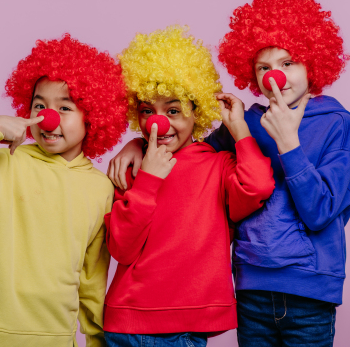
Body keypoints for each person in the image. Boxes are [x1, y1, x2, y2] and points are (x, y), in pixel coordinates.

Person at [107, 0, 350, 347]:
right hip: (251, 285)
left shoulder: (337, 123)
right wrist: (136, 143)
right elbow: (188, 150)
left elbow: (321, 211)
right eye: (263, 67)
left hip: (310, 286)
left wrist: (289, 145)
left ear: (313, 60)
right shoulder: (246, 122)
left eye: (288, 63)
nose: (276, 76)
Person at [0, 34, 128, 347]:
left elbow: (93, 275)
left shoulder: (100, 188)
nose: (46, 118)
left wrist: (96, 337)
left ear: (92, 115)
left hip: (54, 338)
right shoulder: (3, 162)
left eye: (64, 107)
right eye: (39, 105)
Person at [103, 26, 275, 347]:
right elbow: (121, 248)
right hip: (126, 323)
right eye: (146, 111)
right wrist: (148, 179)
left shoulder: (217, 164)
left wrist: (238, 129)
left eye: (173, 110)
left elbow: (258, 187)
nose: (159, 123)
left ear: (197, 113)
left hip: (184, 328)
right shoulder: (132, 167)